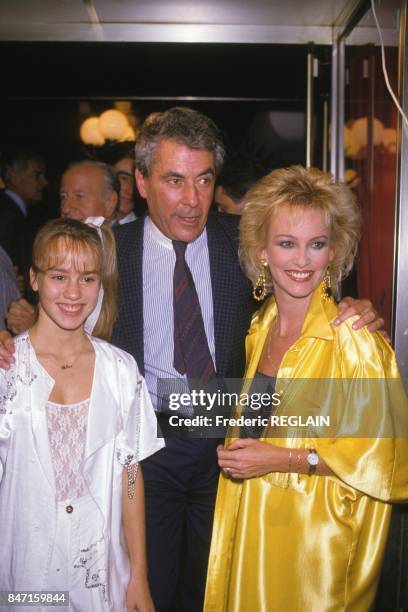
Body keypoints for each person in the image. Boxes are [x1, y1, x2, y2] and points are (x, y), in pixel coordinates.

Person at [0, 109, 384, 612]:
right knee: (146, 587)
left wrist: (352, 305)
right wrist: (12, 337)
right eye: (174, 180)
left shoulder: (246, 243)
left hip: (230, 452)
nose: (191, 199)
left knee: (218, 589)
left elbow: (303, 279)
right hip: (145, 451)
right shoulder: (110, 249)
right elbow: (58, 306)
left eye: (204, 180)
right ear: (140, 181)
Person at [204, 166, 408, 611]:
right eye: (286, 244)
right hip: (254, 531)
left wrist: (281, 458)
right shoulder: (260, 328)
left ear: (333, 252)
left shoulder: (358, 342)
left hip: (319, 555)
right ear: (262, 252)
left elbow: (387, 464)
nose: (301, 261)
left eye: (316, 245)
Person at [0, 217, 163, 612]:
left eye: (88, 279)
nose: (74, 292)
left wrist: (138, 574)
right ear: (34, 279)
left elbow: (129, 475)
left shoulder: (121, 371)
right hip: (26, 568)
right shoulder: (7, 369)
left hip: (102, 570)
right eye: (59, 276)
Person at [5, 159, 120, 335]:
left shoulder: (128, 255)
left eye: (79, 196)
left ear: (110, 202)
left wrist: (36, 325)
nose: (66, 208)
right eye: (64, 197)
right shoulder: (51, 246)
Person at [0, 150, 48, 281]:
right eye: (37, 175)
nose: (44, 182)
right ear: (14, 177)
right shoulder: (8, 215)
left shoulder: (15, 212)